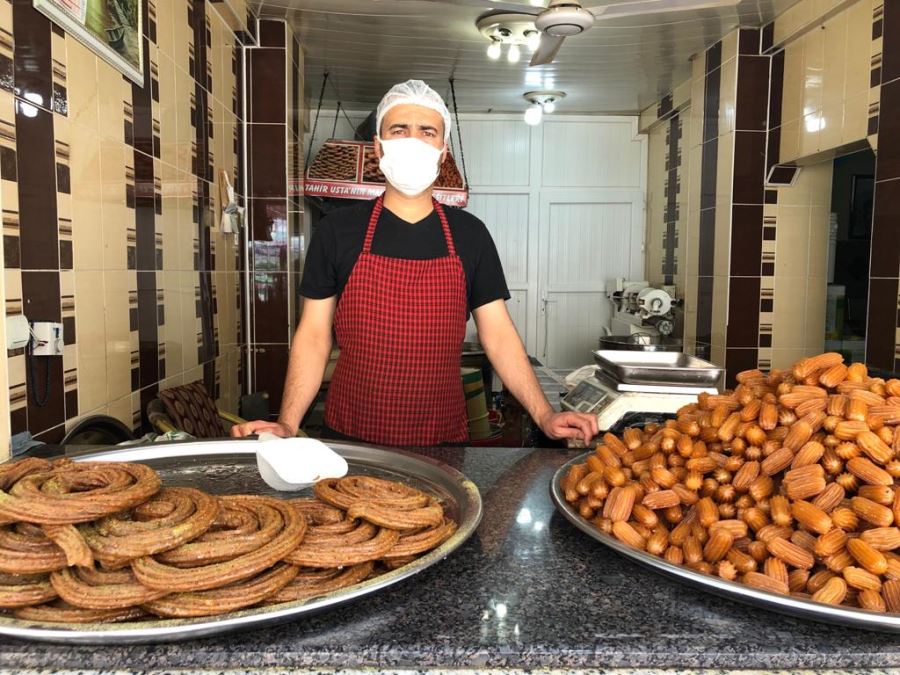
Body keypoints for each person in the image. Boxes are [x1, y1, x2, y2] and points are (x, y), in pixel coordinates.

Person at [232, 80, 598, 446]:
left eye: (427, 132)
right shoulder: (336, 231)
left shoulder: (470, 235)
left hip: (443, 439)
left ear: (443, 150)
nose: (412, 141)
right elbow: (313, 335)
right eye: (399, 130)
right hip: (351, 438)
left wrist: (545, 413)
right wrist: (289, 422)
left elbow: (498, 336)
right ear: (378, 147)